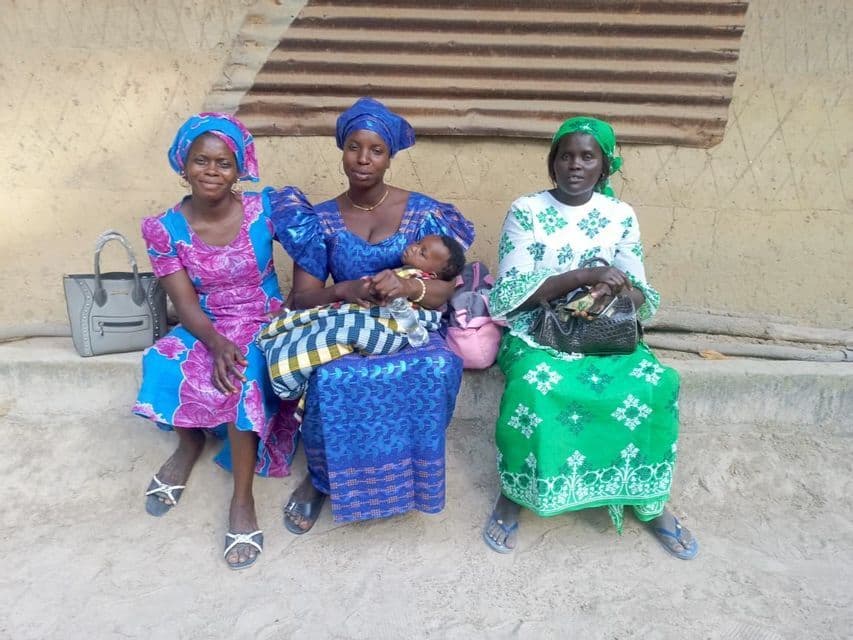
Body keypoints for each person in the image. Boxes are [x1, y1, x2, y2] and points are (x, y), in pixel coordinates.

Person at [483, 116, 698, 559]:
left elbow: (642, 292)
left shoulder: (619, 215)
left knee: (655, 382)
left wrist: (611, 290)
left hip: (603, 332)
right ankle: (517, 493)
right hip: (538, 329)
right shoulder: (527, 210)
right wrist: (584, 274)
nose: (575, 165)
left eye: (587, 156)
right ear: (552, 163)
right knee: (536, 385)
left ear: (604, 165)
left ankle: (647, 496)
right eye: (565, 156)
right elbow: (509, 296)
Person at [268, 97, 475, 533]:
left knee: (436, 365)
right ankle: (322, 479)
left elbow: (444, 288)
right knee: (330, 375)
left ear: (390, 157)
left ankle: (412, 475)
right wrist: (345, 289)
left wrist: (406, 286)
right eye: (354, 148)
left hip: (409, 323)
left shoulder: (422, 213)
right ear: (342, 150)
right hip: (342, 322)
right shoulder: (319, 221)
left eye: (376, 150)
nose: (363, 159)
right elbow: (301, 299)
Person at [132, 112, 299, 570]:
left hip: (262, 320)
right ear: (183, 165)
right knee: (164, 357)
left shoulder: (264, 210)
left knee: (240, 382)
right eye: (201, 161)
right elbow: (183, 304)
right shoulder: (164, 228)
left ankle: (241, 500)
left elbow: (309, 250)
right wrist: (214, 341)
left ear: (239, 167)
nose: (211, 171)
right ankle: (189, 444)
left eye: (223, 163)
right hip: (204, 322)